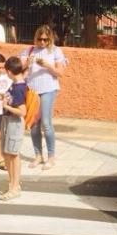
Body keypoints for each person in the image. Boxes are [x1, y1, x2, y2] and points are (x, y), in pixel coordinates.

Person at [20, 25, 67, 169]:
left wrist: (48, 65)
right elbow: (19, 70)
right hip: (33, 90)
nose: (42, 42)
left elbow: (60, 72)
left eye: (45, 40)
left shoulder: (55, 51)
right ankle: (38, 155)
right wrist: (27, 63)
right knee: (34, 124)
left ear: (50, 39)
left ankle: (51, 157)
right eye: (39, 39)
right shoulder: (29, 51)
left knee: (46, 123)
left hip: (49, 89)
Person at [0, 56, 27, 201]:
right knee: (8, 154)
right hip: (8, 121)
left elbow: (22, 111)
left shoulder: (19, 88)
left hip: (14, 122)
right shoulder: (15, 85)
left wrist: (6, 107)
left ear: (9, 71)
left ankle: (14, 187)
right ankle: (13, 184)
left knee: (13, 155)